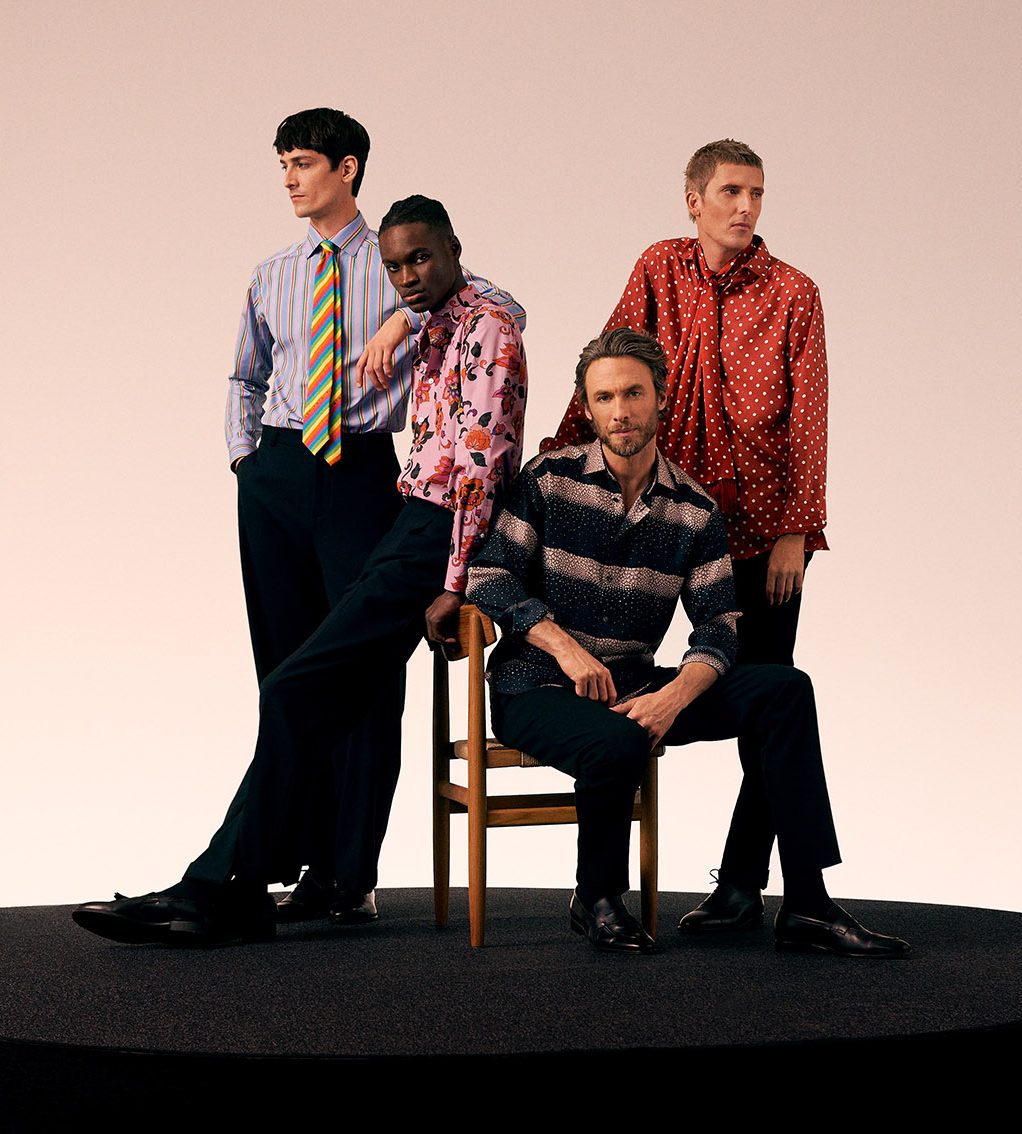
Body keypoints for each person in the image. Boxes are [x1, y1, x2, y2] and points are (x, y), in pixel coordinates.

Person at [74, 195, 527, 945]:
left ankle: (222, 891)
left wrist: (454, 584)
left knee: (298, 689)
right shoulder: (437, 319)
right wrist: (400, 321)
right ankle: (230, 889)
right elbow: (251, 374)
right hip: (407, 513)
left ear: (455, 247)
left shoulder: (487, 326)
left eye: (421, 259)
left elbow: (482, 467)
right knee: (306, 691)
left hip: (440, 531)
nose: (407, 278)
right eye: (395, 268)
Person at [466, 328, 903, 958]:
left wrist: (672, 699)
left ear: (662, 397)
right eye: (604, 398)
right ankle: (596, 899)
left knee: (785, 689)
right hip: (536, 685)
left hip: (634, 684)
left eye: (633, 393)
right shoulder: (549, 480)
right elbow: (489, 576)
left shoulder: (694, 508)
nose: (620, 411)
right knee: (616, 739)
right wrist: (565, 648)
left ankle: (807, 902)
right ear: (586, 407)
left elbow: (721, 626)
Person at [195, 108, 525, 924]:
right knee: (287, 668)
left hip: (363, 473)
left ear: (347, 169)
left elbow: (501, 307)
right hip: (277, 472)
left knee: (364, 679)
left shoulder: (401, 258)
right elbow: (244, 376)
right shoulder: (271, 272)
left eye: (303, 162)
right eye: (282, 163)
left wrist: (400, 315)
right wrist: (245, 460)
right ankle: (286, 860)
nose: (289, 178)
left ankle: (348, 875)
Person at [543, 139, 827, 932]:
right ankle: (602, 885)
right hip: (663, 520)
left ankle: (742, 886)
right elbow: (610, 365)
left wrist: (796, 532)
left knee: (769, 701)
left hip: (761, 531)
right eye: (731, 191)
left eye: (757, 193)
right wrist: (558, 466)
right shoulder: (658, 268)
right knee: (621, 659)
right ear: (694, 200)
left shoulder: (795, 292)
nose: (746, 207)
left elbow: (809, 416)